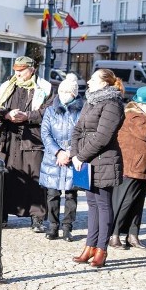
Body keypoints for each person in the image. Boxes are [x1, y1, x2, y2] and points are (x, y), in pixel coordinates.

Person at [0, 56, 54, 229]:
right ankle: (1, 216)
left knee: (35, 181)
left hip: (32, 141)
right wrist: (8, 114)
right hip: (7, 140)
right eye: (15, 70)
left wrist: (28, 116)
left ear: (32, 70)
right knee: (3, 178)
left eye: (21, 71)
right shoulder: (7, 86)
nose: (17, 74)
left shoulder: (44, 88)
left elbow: (49, 111)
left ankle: (37, 219)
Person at [70, 69, 125, 268]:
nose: (89, 81)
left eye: (93, 79)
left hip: (104, 160)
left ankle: (102, 249)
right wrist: (75, 154)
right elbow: (77, 130)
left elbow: (103, 137)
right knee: (92, 205)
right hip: (86, 161)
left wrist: (81, 156)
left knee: (103, 204)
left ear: (105, 83)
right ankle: (90, 246)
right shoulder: (90, 100)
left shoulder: (113, 104)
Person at [110, 86, 146, 250]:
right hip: (130, 167)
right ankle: (114, 234)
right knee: (123, 202)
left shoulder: (143, 116)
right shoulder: (134, 117)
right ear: (141, 104)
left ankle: (132, 235)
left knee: (137, 204)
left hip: (141, 167)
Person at [38, 73, 83, 241]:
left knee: (71, 194)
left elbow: (83, 133)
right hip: (53, 157)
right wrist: (58, 152)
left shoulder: (81, 110)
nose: (64, 95)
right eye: (62, 91)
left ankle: (67, 227)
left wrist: (70, 153)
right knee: (52, 193)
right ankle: (53, 226)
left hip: (73, 157)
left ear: (74, 94)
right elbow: (45, 133)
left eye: (68, 92)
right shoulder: (51, 110)